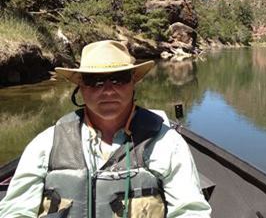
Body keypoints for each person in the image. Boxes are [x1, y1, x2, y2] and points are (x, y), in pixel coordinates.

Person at [0, 40, 211, 218]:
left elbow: (191, 212)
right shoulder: (46, 144)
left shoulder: (167, 143)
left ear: (133, 83)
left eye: (119, 78)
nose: (108, 90)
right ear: (81, 87)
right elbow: (16, 211)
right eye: (95, 80)